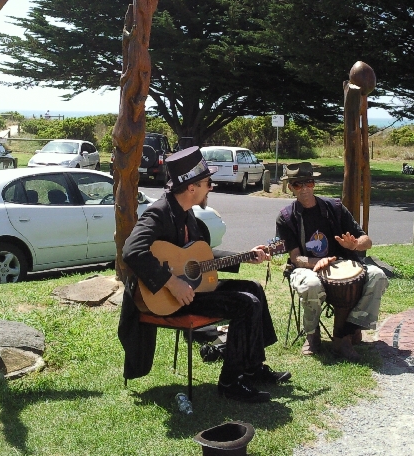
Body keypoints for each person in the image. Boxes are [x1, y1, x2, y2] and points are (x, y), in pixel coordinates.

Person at [119, 146, 290, 403]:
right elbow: (132, 251)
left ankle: (252, 367)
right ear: (191, 187)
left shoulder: (188, 215)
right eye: (207, 182)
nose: (211, 187)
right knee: (245, 304)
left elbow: (200, 257)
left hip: (190, 290)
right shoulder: (159, 213)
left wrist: (246, 255)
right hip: (168, 297)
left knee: (253, 288)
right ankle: (230, 382)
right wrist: (172, 283)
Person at [276, 162, 389, 360]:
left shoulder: (334, 208)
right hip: (306, 268)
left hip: (344, 265)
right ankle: (312, 336)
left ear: (314, 184)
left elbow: (367, 241)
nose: (304, 189)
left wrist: (354, 245)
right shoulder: (286, 217)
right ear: (290, 187)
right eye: (297, 185)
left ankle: (347, 331)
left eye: (308, 183)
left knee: (378, 276)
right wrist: (315, 263)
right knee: (312, 283)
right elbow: (295, 257)